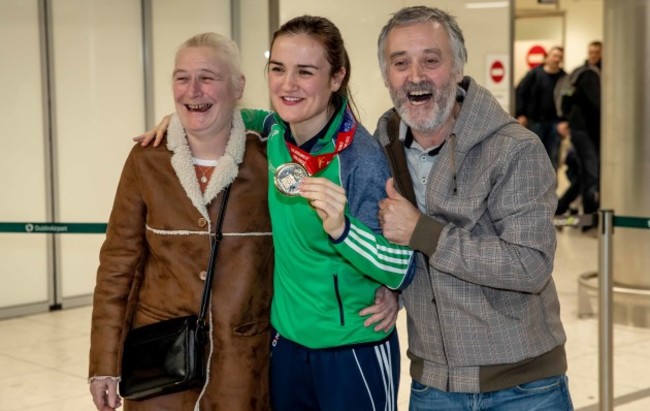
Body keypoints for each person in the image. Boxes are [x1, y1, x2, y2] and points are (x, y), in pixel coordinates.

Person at [139, 16, 414, 411]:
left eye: (305, 72)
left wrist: (343, 231)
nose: (288, 85)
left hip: (353, 348)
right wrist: (180, 122)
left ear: (337, 77)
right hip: (286, 347)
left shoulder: (361, 160)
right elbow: (232, 116)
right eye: (278, 69)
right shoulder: (274, 132)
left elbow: (402, 267)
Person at [374, 6, 573, 410]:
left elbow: (530, 265)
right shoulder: (385, 141)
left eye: (431, 60)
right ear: (386, 74)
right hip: (433, 386)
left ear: (458, 66)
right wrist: (391, 286)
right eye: (400, 63)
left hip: (523, 388)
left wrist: (423, 232)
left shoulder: (515, 149)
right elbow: (383, 235)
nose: (415, 76)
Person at [88, 32, 274, 411]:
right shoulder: (146, 160)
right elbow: (117, 266)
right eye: (181, 77)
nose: (192, 90)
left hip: (242, 369)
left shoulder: (269, 160)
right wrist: (103, 363)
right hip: (160, 366)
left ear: (238, 86)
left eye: (207, 77)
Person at [562, 41, 602, 224]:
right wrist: (564, 119)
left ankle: (560, 208)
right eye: (591, 51)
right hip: (582, 130)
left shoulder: (601, 72)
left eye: (597, 52)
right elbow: (567, 96)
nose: (594, 55)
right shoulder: (584, 74)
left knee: (585, 176)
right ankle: (589, 220)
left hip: (593, 132)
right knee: (590, 174)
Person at [516, 46, 567, 170]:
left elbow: (569, 101)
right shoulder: (534, 74)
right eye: (554, 56)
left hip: (555, 124)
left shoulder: (564, 77)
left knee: (552, 158)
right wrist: (521, 114)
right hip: (535, 123)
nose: (556, 59)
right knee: (535, 157)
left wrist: (565, 121)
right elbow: (520, 92)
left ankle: (551, 188)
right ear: (547, 57)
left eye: (559, 57)